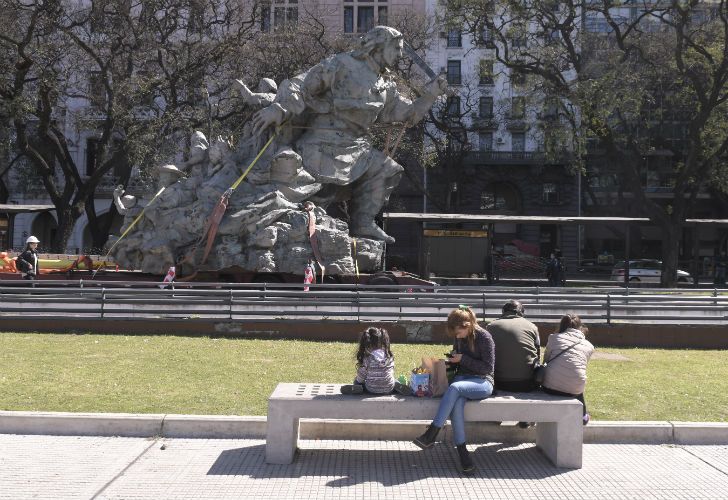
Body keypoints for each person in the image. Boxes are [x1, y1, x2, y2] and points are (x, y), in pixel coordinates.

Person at [251, 25, 447, 244]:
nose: (400, 55)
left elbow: (408, 115)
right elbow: (301, 85)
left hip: (357, 147)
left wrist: (431, 95)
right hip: (322, 143)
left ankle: (363, 224)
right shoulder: (341, 64)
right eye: (396, 48)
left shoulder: (385, 86)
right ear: (379, 46)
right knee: (319, 196)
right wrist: (279, 109)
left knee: (387, 169)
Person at [413, 306, 495, 475]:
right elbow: (459, 358)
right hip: (462, 379)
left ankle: (432, 433)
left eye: (458, 333)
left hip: (482, 382)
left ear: (468, 325)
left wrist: (463, 359)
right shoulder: (460, 337)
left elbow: (487, 368)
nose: (457, 337)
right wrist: (452, 360)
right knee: (456, 403)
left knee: (455, 387)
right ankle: (463, 455)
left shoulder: (485, 337)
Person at [540, 314, 595, 425]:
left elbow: (545, 361)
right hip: (575, 389)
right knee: (576, 381)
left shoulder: (553, 338)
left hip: (550, 387)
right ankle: (583, 416)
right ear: (580, 327)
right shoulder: (589, 346)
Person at [487, 300, 540, 393]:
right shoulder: (532, 326)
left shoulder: (491, 326)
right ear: (521, 313)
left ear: (503, 312)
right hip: (527, 382)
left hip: (499, 382)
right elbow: (538, 354)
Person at [341, 327, 410, 395]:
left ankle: (360, 388)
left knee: (357, 381)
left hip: (371, 389)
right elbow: (390, 372)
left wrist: (357, 381)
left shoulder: (368, 358)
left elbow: (361, 377)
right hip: (389, 388)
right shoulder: (389, 356)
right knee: (394, 381)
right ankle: (397, 386)